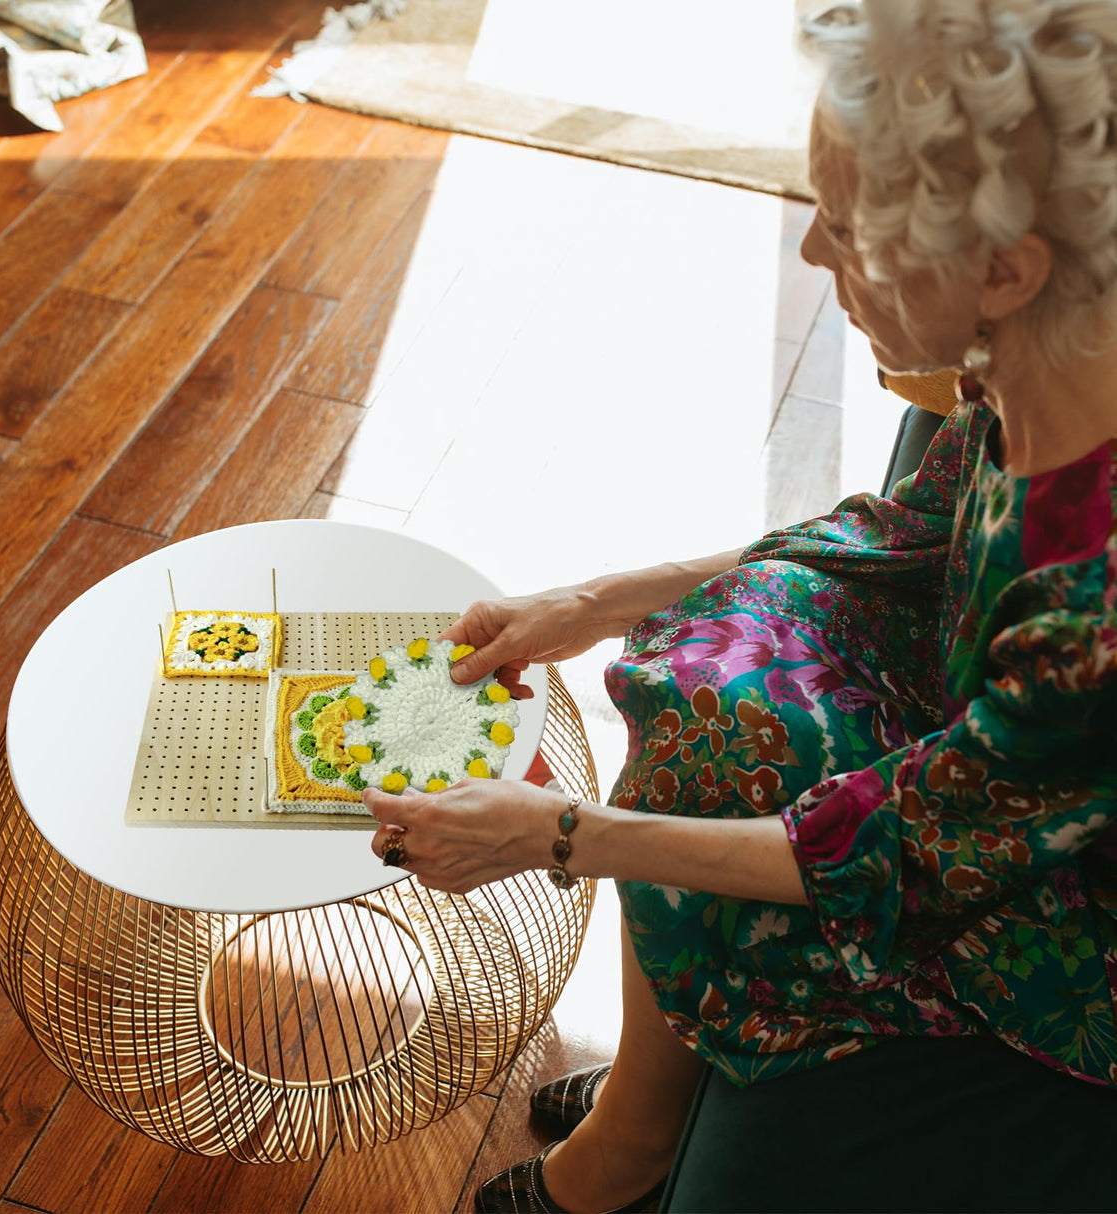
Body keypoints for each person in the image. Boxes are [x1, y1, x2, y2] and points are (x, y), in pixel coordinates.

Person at [364, 1, 1117, 1208]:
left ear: (1000, 266)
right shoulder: (1042, 349)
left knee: (696, 743)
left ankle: (626, 1148)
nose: (812, 255)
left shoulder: (1093, 602)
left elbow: (894, 856)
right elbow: (895, 535)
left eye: (849, 228)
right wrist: (595, 599)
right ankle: (641, 1118)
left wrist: (553, 835)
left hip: (1059, 915)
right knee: (707, 658)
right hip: (981, 771)